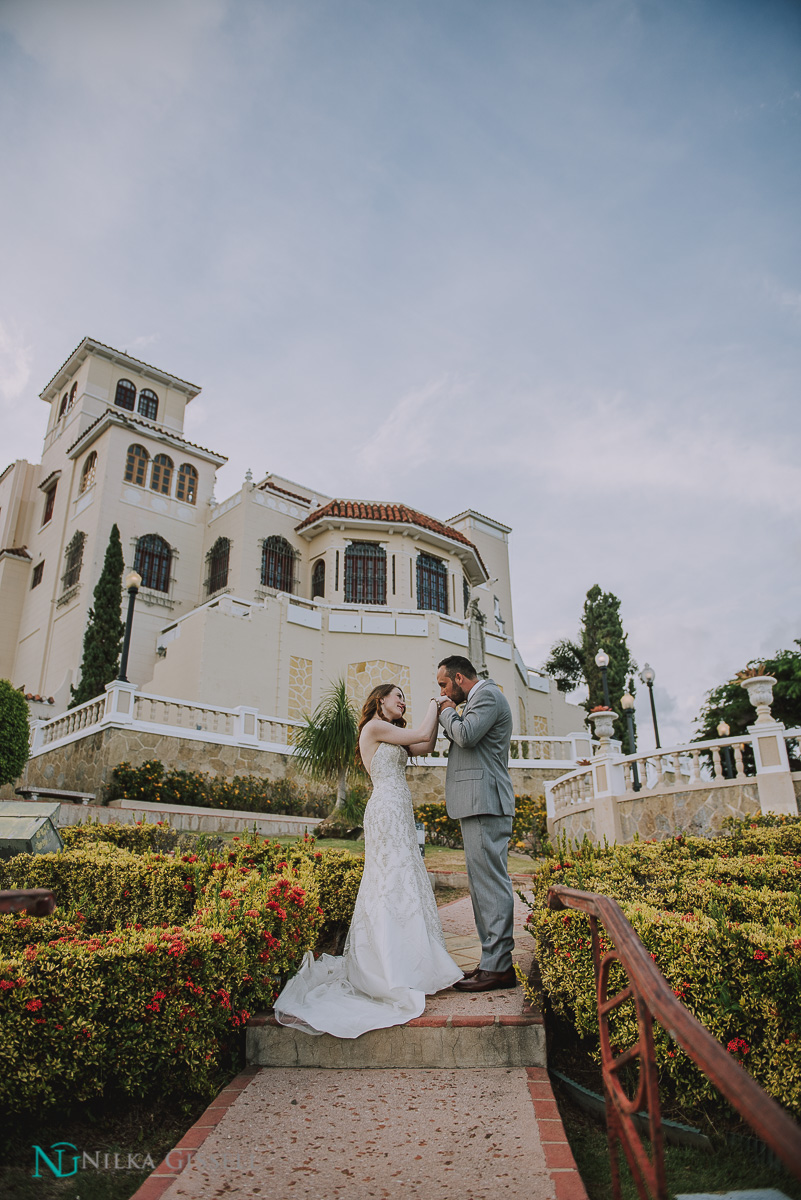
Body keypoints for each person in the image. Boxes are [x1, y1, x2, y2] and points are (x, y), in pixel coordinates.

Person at [274, 684, 462, 1037]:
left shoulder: (394, 732)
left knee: (406, 878)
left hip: (400, 808)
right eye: (398, 697)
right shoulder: (374, 728)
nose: (403, 701)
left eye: (406, 697)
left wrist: (434, 715)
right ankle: (388, 967)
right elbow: (422, 731)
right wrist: (436, 703)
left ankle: (411, 963)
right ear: (380, 701)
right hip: (386, 808)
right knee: (390, 878)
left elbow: (424, 743)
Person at [436, 654, 517, 993]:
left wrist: (444, 713)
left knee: (491, 886)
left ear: (459, 678)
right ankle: (491, 962)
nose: (441, 691)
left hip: (486, 802)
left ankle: (498, 968)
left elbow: (466, 736)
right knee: (482, 886)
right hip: (477, 803)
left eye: (443, 684)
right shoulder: (476, 698)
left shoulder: (487, 695)